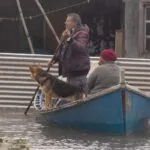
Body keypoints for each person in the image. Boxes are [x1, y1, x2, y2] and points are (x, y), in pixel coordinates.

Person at [48, 13, 90, 97]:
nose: (65, 23)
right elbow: (63, 49)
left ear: (74, 22)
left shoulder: (82, 33)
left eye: (67, 21)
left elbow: (81, 47)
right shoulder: (69, 33)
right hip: (70, 73)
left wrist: (69, 38)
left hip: (78, 72)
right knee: (71, 96)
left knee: (76, 98)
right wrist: (55, 59)